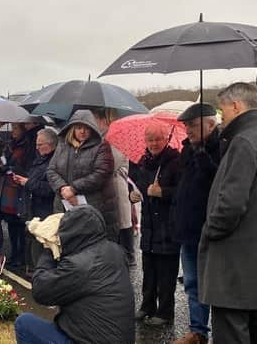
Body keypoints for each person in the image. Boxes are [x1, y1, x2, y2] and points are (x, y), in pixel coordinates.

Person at [15, 206, 134, 344]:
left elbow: (40, 291)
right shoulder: (115, 251)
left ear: (71, 233)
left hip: (87, 339)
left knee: (24, 323)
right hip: (116, 338)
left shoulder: (79, 265)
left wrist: (49, 247)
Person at [199, 83, 257, 344]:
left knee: (231, 332)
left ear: (236, 105)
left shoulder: (243, 141)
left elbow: (231, 204)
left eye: (222, 111)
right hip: (250, 259)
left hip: (234, 262)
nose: (222, 117)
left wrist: (211, 229)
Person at [170, 103, 220, 344]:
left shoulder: (222, 147)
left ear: (211, 125)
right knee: (191, 282)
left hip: (209, 229)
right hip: (187, 229)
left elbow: (218, 182)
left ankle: (221, 332)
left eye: (193, 125)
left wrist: (203, 156)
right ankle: (197, 332)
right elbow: (183, 186)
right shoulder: (187, 149)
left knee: (214, 284)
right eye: (186, 125)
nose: (188, 130)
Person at [130, 123, 181, 327]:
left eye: (158, 139)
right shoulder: (144, 161)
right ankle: (147, 306)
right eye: (150, 139)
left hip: (168, 225)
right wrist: (133, 195)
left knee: (166, 273)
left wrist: (163, 192)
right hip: (150, 225)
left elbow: (183, 192)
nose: (153, 143)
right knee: (148, 269)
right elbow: (140, 187)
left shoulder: (176, 162)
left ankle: (165, 311)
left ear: (166, 139)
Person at [47, 110, 119, 241]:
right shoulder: (62, 145)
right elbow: (51, 170)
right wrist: (62, 188)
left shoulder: (101, 146)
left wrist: (73, 189)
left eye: (87, 128)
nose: (82, 131)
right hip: (65, 206)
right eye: (79, 128)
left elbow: (101, 173)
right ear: (72, 129)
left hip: (94, 207)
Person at [93, 107, 135, 266]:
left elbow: (114, 163)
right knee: (117, 219)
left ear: (104, 120)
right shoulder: (104, 137)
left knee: (122, 220)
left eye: (96, 120)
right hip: (110, 185)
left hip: (116, 183)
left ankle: (128, 253)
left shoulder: (114, 137)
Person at [14, 128, 58, 269]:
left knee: (42, 246)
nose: (37, 148)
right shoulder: (40, 159)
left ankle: (40, 274)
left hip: (45, 210)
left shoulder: (54, 162)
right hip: (34, 207)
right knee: (33, 242)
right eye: (36, 145)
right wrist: (24, 179)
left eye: (40, 145)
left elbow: (50, 188)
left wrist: (28, 182)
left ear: (51, 144)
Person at [0, 123, 34, 268]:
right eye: (12, 129)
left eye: (16, 129)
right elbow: (2, 161)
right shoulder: (10, 144)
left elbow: (25, 167)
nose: (13, 131)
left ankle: (21, 255)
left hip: (17, 187)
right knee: (11, 223)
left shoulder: (27, 146)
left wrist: (11, 167)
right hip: (7, 187)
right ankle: (14, 252)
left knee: (19, 223)